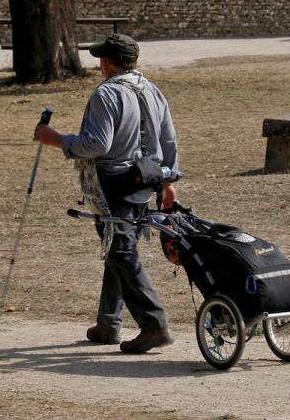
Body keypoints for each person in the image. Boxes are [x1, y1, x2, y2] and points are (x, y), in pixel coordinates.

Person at [34, 33, 181, 354]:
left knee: (122, 252)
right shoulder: (152, 89)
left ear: (106, 62)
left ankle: (154, 324)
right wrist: (168, 182)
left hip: (116, 183)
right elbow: (169, 140)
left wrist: (55, 138)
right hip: (148, 179)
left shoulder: (107, 94)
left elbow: (97, 144)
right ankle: (108, 323)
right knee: (117, 247)